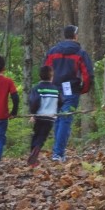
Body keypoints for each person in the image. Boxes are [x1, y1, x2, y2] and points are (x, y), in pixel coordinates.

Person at [44, 25, 93, 161]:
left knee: (59, 119)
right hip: (71, 91)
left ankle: (57, 152)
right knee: (64, 120)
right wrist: (84, 89)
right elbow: (88, 75)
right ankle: (58, 153)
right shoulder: (80, 53)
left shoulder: (52, 52)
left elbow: (45, 70)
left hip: (54, 90)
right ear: (75, 36)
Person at [27, 65, 60, 166]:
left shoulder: (37, 88)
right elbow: (61, 101)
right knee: (42, 136)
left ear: (40, 76)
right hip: (50, 117)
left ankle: (33, 152)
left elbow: (34, 101)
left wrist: (33, 114)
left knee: (36, 134)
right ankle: (36, 151)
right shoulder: (55, 89)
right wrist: (57, 109)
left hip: (39, 116)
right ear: (51, 76)